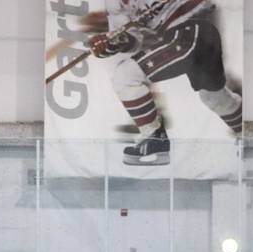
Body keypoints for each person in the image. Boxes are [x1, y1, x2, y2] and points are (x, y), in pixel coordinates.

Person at [87, 0, 242, 166]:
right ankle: (247, 131)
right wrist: (113, 44)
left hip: (192, 26)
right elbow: (134, 40)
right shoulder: (114, 5)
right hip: (192, 35)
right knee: (215, 99)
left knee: (125, 76)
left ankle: (155, 139)